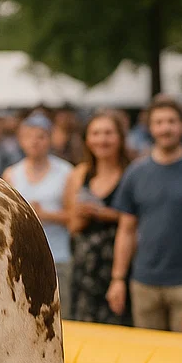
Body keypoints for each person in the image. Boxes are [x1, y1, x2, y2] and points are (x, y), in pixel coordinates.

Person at [107, 95, 182, 331]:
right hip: (144, 282)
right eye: (159, 122)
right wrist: (118, 278)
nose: (165, 128)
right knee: (148, 352)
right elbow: (126, 231)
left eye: (171, 121)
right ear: (150, 127)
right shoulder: (135, 173)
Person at [4, 113, 74, 318]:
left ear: (50, 139)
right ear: (21, 140)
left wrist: (45, 215)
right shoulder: (11, 174)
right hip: (22, 256)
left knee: (61, 315)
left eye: (41, 136)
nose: (35, 142)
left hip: (57, 255)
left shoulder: (66, 172)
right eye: (29, 136)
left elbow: (74, 218)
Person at [64, 110, 130, 324]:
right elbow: (72, 227)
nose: (102, 140)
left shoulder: (131, 173)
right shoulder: (79, 175)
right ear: (87, 139)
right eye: (96, 133)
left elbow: (138, 221)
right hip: (85, 266)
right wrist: (81, 214)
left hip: (120, 265)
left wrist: (103, 214)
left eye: (108, 133)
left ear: (120, 137)